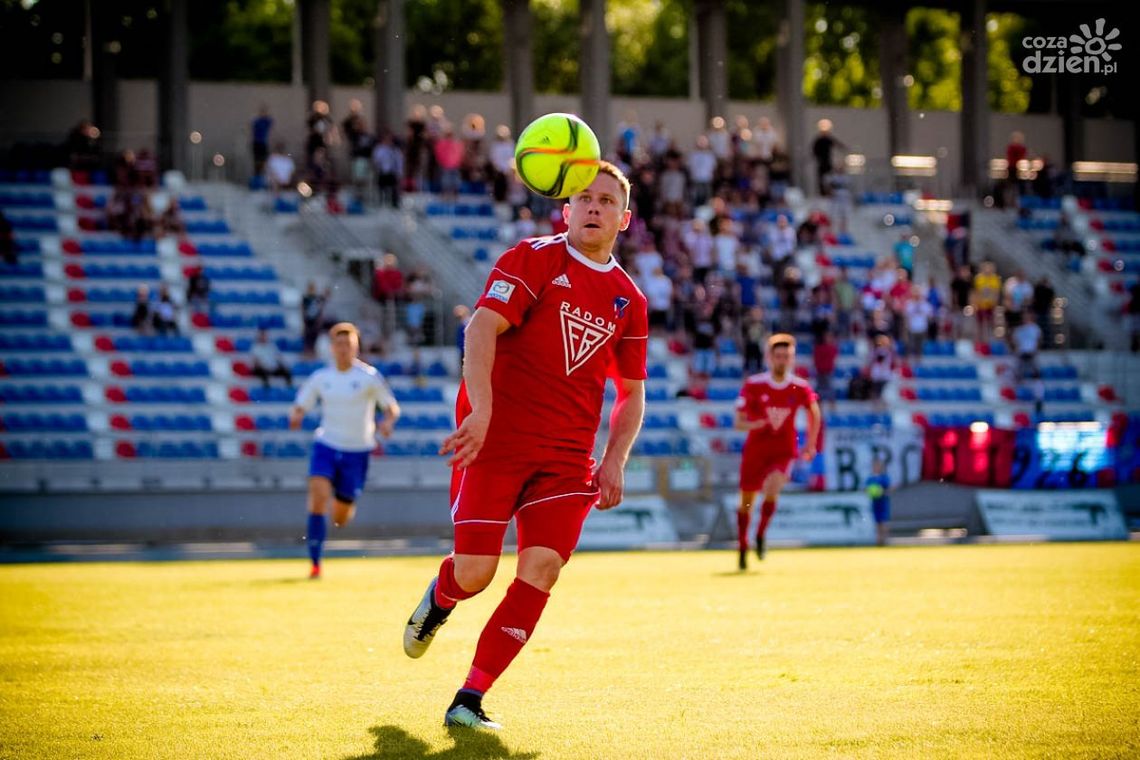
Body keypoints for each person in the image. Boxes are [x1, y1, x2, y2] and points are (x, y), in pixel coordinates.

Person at [400, 162, 648, 731]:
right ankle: (441, 598)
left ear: (624, 219)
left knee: (542, 568)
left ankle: (469, 699)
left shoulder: (630, 299)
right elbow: (480, 328)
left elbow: (632, 392)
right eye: (583, 198)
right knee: (475, 574)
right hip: (496, 442)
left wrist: (614, 459)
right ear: (566, 210)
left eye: (606, 201)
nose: (593, 207)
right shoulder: (533, 258)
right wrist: (481, 411)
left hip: (566, 459)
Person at [290, 323, 400, 579]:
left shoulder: (369, 377)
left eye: (348, 345)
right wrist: (296, 414)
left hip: (357, 451)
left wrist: (387, 422)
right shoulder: (321, 378)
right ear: (332, 348)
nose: (343, 349)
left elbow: (391, 407)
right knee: (318, 495)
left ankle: (343, 503)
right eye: (339, 344)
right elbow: (301, 404)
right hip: (327, 445)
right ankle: (315, 564)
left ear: (356, 348)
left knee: (340, 517)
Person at [734, 334, 821, 570]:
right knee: (747, 501)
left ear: (792, 359)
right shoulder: (754, 385)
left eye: (786, 356)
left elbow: (814, 412)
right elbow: (738, 422)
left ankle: (761, 533)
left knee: (773, 488)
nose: (782, 361)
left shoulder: (799, 387)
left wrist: (811, 443)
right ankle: (743, 545)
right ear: (769, 358)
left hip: (783, 450)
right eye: (778, 356)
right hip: (756, 450)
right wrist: (757, 424)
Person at [865, 457, 891, 547]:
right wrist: (870, 492)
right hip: (874, 503)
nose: (876, 467)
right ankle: (878, 540)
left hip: (883, 503)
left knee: (883, 522)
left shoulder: (884, 478)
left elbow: (888, 490)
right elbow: (867, 490)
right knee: (877, 523)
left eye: (878, 466)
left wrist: (881, 492)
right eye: (874, 466)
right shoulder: (870, 479)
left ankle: (885, 540)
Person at [813, 330, 839, 412]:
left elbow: (834, 355)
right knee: (819, 392)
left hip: (828, 372)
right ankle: (819, 410)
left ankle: (833, 410)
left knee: (830, 391)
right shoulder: (819, 348)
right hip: (820, 372)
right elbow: (816, 359)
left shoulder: (832, 348)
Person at [251, 106, 273, 178]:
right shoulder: (257, 121)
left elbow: (271, 121)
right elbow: (252, 123)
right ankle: (257, 174)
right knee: (257, 160)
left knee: (264, 160)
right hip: (257, 143)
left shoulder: (266, 121)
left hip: (263, 143)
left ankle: (263, 174)